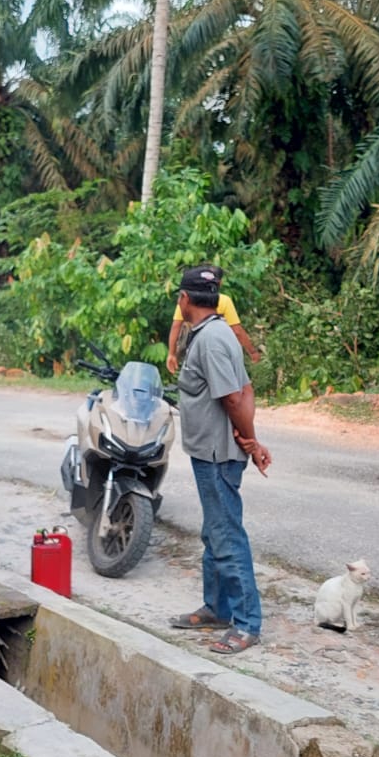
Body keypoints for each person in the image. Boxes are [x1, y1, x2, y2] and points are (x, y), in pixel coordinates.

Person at [166, 265, 272, 654]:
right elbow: (246, 388)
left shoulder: (210, 340)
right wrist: (250, 439)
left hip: (215, 453)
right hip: (210, 449)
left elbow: (234, 397)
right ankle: (217, 608)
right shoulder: (216, 332)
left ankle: (246, 624)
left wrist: (250, 439)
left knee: (226, 534)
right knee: (214, 531)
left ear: (184, 299)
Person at [165, 268, 260, 375]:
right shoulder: (224, 301)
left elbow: (176, 326)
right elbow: (237, 331)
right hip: (219, 352)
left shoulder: (187, 301)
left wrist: (172, 354)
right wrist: (252, 352)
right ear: (220, 283)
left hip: (194, 351)